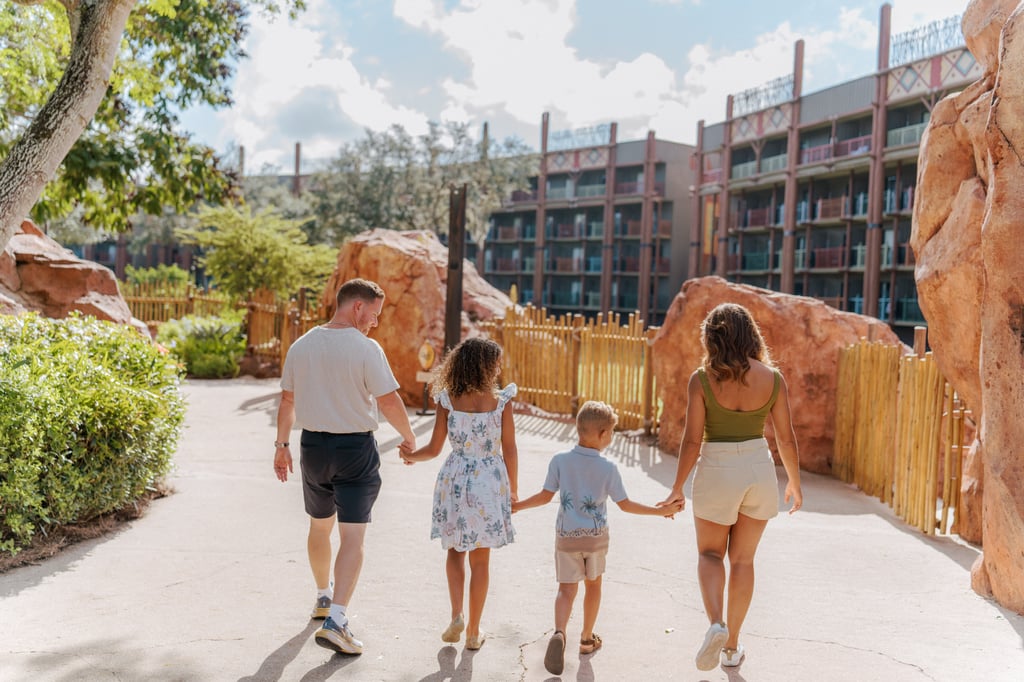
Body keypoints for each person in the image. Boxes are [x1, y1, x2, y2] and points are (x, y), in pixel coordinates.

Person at [274, 278, 416, 656]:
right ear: (357, 306)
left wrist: (281, 445)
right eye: (374, 314)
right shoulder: (366, 348)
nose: (375, 322)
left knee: (319, 526)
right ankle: (337, 620)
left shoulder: (301, 346)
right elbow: (388, 401)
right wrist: (410, 438)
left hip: (313, 448)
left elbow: (288, 400)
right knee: (353, 537)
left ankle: (323, 597)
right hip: (354, 449)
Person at [658, 303, 802, 671]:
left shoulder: (702, 379)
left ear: (713, 338)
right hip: (758, 468)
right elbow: (785, 438)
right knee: (743, 560)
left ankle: (716, 625)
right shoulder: (773, 378)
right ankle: (732, 647)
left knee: (709, 555)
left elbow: (691, 441)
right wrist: (795, 485)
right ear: (749, 334)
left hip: (717, 468)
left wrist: (677, 487)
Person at [514, 401, 683, 676]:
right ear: (604, 434)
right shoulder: (608, 469)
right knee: (593, 587)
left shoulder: (560, 461)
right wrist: (660, 511)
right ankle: (586, 638)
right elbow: (625, 505)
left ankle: (559, 632)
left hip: (567, 538)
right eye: (612, 433)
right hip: (595, 540)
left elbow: (545, 496)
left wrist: (518, 506)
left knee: (566, 590)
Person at [399, 337, 518, 651]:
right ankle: (474, 632)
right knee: (481, 560)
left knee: (455, 552)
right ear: (485, 366)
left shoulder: (447, 400)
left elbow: (435, 449)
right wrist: (513, 490)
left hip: (456, 478)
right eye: (496, 362)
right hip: (490, 481)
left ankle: (456, 614)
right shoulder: (501, 401)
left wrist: (411, 456)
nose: (499, 368)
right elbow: (510, 449)